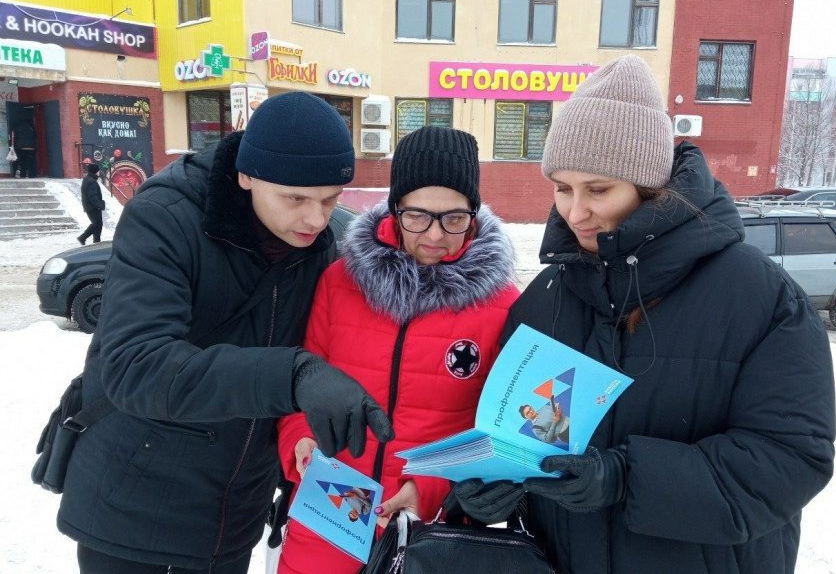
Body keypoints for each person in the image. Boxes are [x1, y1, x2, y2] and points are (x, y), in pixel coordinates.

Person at [451, 55, 836, 574]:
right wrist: (482, 494)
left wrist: (626, 478)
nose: (574, 212)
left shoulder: (759, 298)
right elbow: (522, 436)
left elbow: (789, 460)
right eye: (562, 189)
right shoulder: (545, 299)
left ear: (649, 185)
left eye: (598, 189)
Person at [56, 92, 394, 574]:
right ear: (246, 175)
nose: (316, 219)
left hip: (232, 515)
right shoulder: (165, 218)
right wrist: (293, 376)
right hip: (135, 510)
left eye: (330, 199)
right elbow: (137, 366)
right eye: (296, 198)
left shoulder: (318, 245)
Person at [276, 125, 521, 574]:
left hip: (428, 533)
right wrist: (300, 439)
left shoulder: (501, 304)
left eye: (454, 218)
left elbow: (499, 433)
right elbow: (300, 383)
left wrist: (428, 488)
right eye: (417, 215)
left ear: (474, 214)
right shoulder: (340, 282)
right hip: (327, 518)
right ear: (394, 209)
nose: (435, 234)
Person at [77, 163, 105, 244]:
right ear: (96, 172)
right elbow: (93, 196)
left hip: (89, 206)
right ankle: (90, 239)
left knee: (96, 224)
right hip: (93, 207)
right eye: (98, 171)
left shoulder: (87, 179)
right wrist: (99, 205)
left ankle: (87, 239)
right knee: (97, 224)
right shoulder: (92, 182)